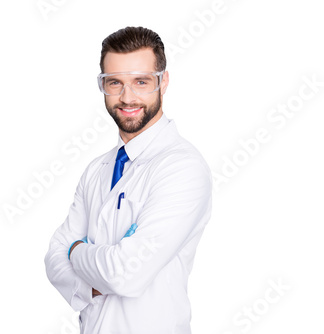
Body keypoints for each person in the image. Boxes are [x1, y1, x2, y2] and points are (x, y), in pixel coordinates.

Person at [44, 26, 212, 334]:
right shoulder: (97, 170)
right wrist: (91, 281)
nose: (127, 96)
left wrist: (76, 251)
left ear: (164, 82)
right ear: (103, 86)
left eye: (141, 82)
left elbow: (125, 274)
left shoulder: (183, 168)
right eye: (115, 83)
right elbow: (53, 258)